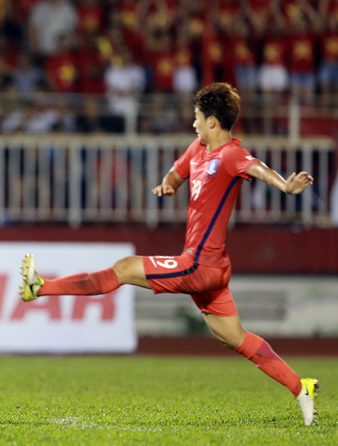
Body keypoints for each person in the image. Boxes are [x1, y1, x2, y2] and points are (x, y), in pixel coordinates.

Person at [19, 82, 320, 426]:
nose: (193, 124)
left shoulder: (231, 155)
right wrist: (167, 184)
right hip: (212, 266)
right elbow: (176, 175)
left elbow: (257, 168)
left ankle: (40, 287)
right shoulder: (197, 149)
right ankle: (301, 387)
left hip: (200, 265)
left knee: (124, 269)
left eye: (196, 118)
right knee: (233, 337)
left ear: (212, 122)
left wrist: (285, 185)